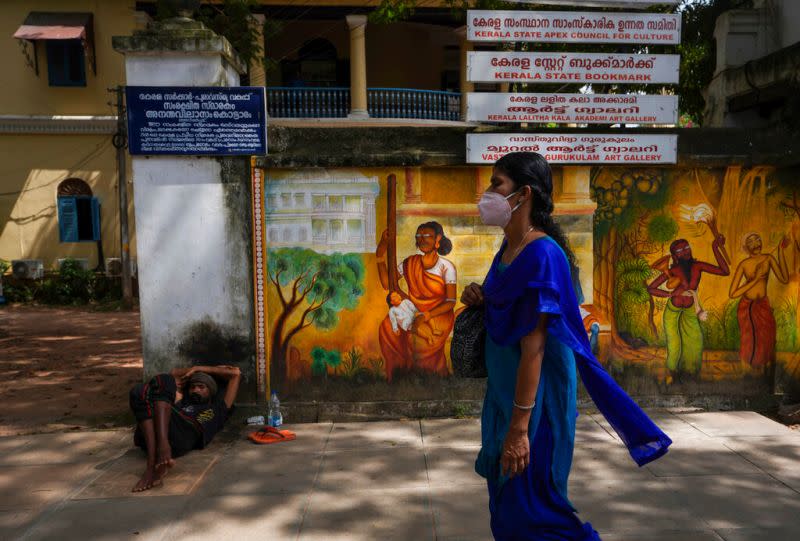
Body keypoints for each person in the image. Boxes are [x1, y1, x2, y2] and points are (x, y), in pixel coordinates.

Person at [461, 152, 671, 540]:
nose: (487, 193)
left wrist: (520, 430)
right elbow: (509, 306)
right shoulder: (510, 250)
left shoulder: (543, 255)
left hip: (535, 410)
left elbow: (534, 348)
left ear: (523, 195)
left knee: (533, 516)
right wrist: (482, 295)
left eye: (496, 184)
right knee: (507, 512)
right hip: (503, 399)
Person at [128, 364, 241, 492]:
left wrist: (199, 368)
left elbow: (235, 374)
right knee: (139, 390)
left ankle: (155, 460)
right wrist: (193, 370)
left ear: (211, 391)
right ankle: (159, 454)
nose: (195, 390)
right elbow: (175, 373)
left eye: (201, 387)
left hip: (184, 434)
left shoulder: (219, 409)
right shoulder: (181, 401)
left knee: (164, 380)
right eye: (192, 387)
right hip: (155, 434)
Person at [376, 221, 457, 381]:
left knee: (419, 344)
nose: (421, 239)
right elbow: (388, 284)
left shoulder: (446, 267)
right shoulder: (410, 262)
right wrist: (380, 252)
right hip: (413, 311)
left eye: (426, 236)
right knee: (387, 327)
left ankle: (431, 379)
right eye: (418, 236)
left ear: (438, 239)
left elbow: (450, 301)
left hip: (438, 316)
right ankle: (399, 377)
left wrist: (426, 316)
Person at [647, 237, 729, 382]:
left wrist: (715, 247)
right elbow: (651, 288)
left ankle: (691, 374)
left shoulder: (698, 266)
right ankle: (673, 373)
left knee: (695, 341)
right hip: (673, 311)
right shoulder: (672, 270)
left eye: (687, 248)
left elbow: (724, 271)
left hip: (691, 309)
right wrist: (669, 294)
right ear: (674, 256)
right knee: (674, 344)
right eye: (680, 250)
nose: (685, 252)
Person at [729, 233, 790, 369]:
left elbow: (785, 279)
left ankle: (763, 368)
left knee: (768, 334)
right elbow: (733, 293)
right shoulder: (744, 264)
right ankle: (749, 369)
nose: (756, 244)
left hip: (763, 304)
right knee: (750, 338)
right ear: (746, 247)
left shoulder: (768, 259)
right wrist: (755, 280)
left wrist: (780, 251)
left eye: (758, 240)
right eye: (751, 242)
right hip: (747, 307)